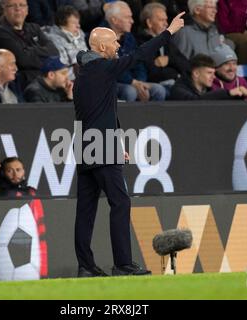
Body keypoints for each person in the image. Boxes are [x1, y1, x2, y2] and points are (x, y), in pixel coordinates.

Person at [73, 10, 186, 277]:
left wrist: (119, 142)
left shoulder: (83, 74)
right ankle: (123, 264)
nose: (118, 46)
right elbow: (140, 55)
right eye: (113, 43)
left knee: (86, 210)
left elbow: (104, 111)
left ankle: (86, 266)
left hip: (86, 146)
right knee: (120, 203)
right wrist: (168, 32)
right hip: (102, 146)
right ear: (101, 47)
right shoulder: (103, 67)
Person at [0, 0, 59, 90]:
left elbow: (55, 52)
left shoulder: (35, 28)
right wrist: (43, 56)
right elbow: (22, 60)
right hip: (21, 84)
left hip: (43, 80)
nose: (18, 9)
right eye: (12, 6)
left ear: (27, 10)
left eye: (22, 5)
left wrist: (31, 50)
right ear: (4, 10)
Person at [105, 1, 167, 102]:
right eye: (127, 17)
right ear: (114, 20)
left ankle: (153, 118)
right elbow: (112, 67)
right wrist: (133, 82)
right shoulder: (102, 37)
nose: (132, 21)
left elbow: (139, 63)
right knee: (130, 91)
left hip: (133, 82)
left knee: (159, 90)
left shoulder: (129, 37)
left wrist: (140, 82)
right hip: (111, 82)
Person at [137, 2, 182, 86]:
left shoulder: (167, 40)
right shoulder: (140, 42)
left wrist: (169, 60)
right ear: (149, 23)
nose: (166, 24)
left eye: (166, 20)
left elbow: (185, 65)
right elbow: (152, 72)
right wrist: (174, 73)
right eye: (161, 20)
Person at [170, 53, 247, 100]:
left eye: (214, 73)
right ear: (196, 73)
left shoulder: (209, 90)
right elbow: (196, 102)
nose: (213, 77)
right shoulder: (178, 90)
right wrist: (228, 93)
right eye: (209, 73)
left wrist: (239, 96)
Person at [43, 5, 88, 80]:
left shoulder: (80, 34)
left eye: (78, 22)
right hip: (72, 79)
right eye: (74, 23)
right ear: (62, 23)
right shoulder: (53, 39)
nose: (78, 26)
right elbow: (63, 70)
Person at [216, 0, 247, 64]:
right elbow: (223, 26)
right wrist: (242, 30)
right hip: (229, 33)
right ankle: (242, 71)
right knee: (246, 40)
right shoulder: (224, 2)